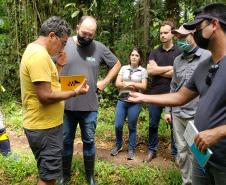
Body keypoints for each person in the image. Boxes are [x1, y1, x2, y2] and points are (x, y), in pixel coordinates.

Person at [128, 3, 226, 185]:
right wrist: (144, 97)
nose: (195, 33)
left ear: (214, 25)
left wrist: (218, 133)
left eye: (198, 28)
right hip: (202, 156)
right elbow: (180, 96)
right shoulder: (204, 66)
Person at [20, 16, 89, 185]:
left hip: (45, 126)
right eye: (63, 43)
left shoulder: (37, 52)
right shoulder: (39, 56)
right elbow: (45, 96)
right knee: (48, 179)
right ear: (52, 36)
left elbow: (50, 85)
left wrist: (59, 66)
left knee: (47, 173)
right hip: (45, 128)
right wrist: (75, 92)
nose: (63, 47)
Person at [60, 16, 121, 185]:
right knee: (65, 141)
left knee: (89, 141)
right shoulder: (64, 44)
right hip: (66, 105)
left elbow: (116, 64)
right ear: (77, 27)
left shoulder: (99, 48)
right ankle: (65, 175)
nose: (86, 37)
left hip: (89, 106)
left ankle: (90, 176)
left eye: (90, 35)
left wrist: (103, 82)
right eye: (83, 33)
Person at [164, 25, 211, 185]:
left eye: (184, 37)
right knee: (182, 152)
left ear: (193, 35)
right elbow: (173, 86)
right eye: (178, 38)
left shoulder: (207, 56)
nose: (180, 41)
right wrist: (167, 110)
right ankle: (187, 182)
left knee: (196, 153)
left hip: (196, 115)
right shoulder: (177, 60)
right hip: (178, 114)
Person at [146, 20, 181, 162]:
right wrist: (170, 68)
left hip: (173, 95)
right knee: (153, 124)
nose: (163, 35)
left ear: (172, 33)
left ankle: (175, 153)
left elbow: (177, 73)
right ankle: (152, 150)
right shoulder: (154, 52)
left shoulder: (179, 52)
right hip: (155, 94)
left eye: (166, 32)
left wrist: (158, 70)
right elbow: (150, 70)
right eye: (161, 33)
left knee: (174, 125)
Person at [110, 48, 148, 160]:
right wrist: (132, 85)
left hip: (135, 101)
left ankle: (131, 149)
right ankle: (118, 144)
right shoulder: (123, 68)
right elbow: (117, 83)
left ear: (140, 58)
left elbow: (144, 86)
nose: (134, 57)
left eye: (137, 55)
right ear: (129, 57)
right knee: (118, 125)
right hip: (122, 100)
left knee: (132, 126)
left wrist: (129, 83)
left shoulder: (143, 71)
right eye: (132, 55)